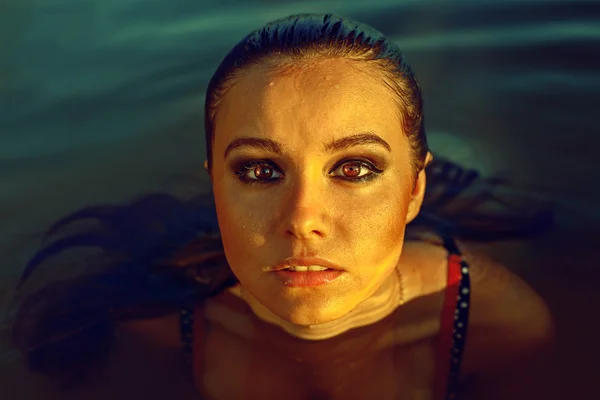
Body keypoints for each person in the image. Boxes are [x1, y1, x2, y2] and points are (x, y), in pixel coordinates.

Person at [3, 13, 558, 400]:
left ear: (414, 191)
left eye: (354, 168)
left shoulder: (495, 320)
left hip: (469, 182)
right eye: (259, 170)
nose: (301, 220)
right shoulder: (160, 321)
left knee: (475, 107)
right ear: (215, 188)